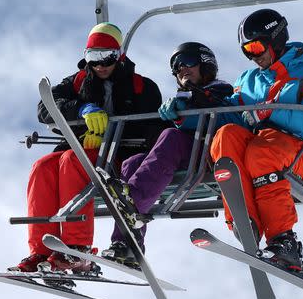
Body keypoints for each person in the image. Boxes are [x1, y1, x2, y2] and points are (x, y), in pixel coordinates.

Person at [9, 22, 162, 274]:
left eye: (107, 57)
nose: (100, 65)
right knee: (42, 167)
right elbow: (45, 107)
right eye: (93, 57)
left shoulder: (141, 87)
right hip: (83, 150)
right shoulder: (78, 82)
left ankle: (76, 247)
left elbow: (151, 128)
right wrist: (80, 110)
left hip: (118, 157)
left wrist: (110, 133)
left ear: (120, 56)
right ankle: (41, 251)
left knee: (72, 160)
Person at [210, 8, 303, 280]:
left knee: (260, 152)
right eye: (246, 51)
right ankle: (246, 222)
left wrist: (272, 111)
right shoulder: (248, 80)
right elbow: (233, 115)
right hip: (263, 148)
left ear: (275, 38)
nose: (253, 56)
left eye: (255, 46)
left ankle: (284, 240)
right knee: (226, 135)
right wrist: (195, 108)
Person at [100, 42, 234, 266]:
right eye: (176, 67)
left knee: (171, 136)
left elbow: (214, 110)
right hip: (187, 157)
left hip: (211, 153)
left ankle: (132, 202)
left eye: (188, 62)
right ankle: (127, 244)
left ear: (205, 63)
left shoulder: (221, 90)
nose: (182, 69)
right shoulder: (182, 100)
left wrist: (182, 110)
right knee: (132, 163)